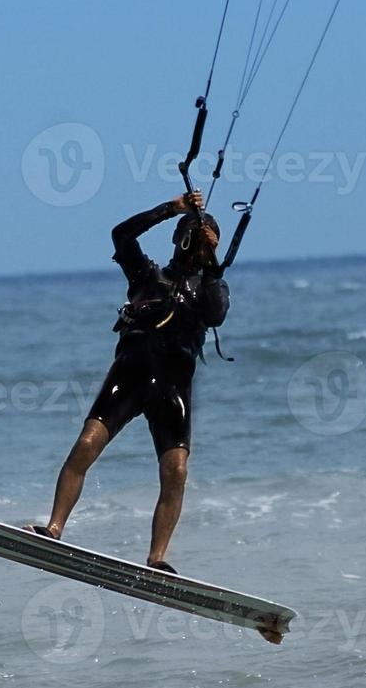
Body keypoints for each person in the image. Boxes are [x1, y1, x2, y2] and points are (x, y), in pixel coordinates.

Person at [27, 191, 229, 572]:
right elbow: (121, 235)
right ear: (176, 237)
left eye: (202, 238)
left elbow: (217, 315)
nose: (193, 242)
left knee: (177, 472)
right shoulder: (147, 275)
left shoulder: (209, 289)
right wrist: (171, 209)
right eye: (189, 234)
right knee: (86, 444)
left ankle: (157, 559)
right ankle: (53, 528)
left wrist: (212, 260)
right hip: (130, 374)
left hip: (173, 388)